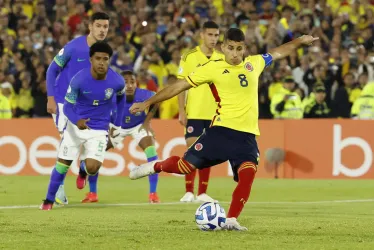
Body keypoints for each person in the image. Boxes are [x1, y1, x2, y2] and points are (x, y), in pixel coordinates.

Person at [128, 28, 318, 230]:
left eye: (239, 48)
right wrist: (149, 102)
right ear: (223, 47)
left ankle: (231, 220)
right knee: (184, 167)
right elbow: (179, 86)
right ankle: (155, 167)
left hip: (246, 137)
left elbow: (280, 51)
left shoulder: (254, 63)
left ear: (244, 48)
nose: (235, 53)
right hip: (220, 132)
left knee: (248, 175)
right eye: (230, 48)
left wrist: (299, 41)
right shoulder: (212, 67)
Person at [40, 42, 125, 210]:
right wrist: (76, 120)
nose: (101, 62)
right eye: (98, 58)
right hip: (75, 126)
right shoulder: (78, 79)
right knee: (62, 164)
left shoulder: (117, 81)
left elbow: (122, 100)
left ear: (109, 60)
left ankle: (83, 171)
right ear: (91, 60)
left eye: (105, 59)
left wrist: (117, 124)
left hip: (99, 128)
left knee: (93, 168)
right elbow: (69, 106)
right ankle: (48, 201)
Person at [46, 12, 110, 205]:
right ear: (90, 26)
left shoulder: (104, 52)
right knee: (67, 143)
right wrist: (50, 98)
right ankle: (59, 189)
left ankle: (83, 169)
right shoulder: (74, 47)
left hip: (88, 105)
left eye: (105, 27)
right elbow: (52, 70)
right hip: (63, 103)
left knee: (90, 144)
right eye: (98, 25)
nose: (102, 30)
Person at [77, 70, 161, 203]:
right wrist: (107, 124)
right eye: (125, 82)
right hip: (116, 127)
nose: (129, 85)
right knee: (94, 154)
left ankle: (153, 194)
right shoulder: (111, 95)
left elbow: (157, 99)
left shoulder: (143, 94)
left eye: (132, 82)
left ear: (136, 83)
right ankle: (91, 191)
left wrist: (147, 122)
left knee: (152, 153)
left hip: (138, 126)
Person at [177, 21, 224, 203]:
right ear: (202, 35)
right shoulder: (189, 57)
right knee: (192, 150)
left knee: (208, 152)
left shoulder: (221, 58)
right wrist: (181, 111)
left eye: (216, 35)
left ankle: (202, 192)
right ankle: (189, 191)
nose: (214, 39)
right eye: (210, 35)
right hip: (195, 112)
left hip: (215, 114)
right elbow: (181, 86)